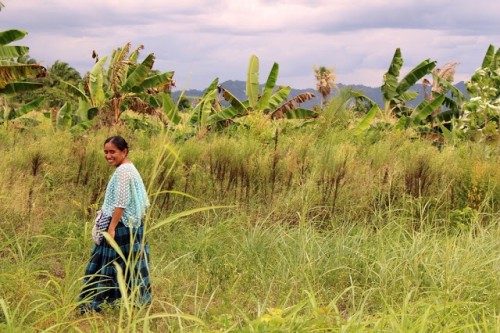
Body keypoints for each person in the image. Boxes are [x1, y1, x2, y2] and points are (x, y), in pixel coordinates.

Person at [79, 135, 151, 312]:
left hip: (121, 225)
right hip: (132, 224)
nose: (108, 155)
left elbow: (121, 202)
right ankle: (131, 301)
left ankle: (98, 303)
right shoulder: (128, 167)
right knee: (129, 263)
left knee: (108, 263)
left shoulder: (123, 172)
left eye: (113, 152)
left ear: (124, 151)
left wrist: (111, 227)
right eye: (105, 152)